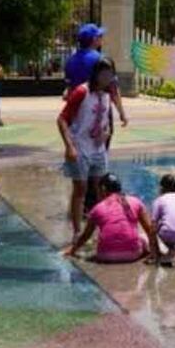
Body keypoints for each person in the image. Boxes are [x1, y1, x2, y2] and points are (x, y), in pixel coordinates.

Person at [57, 58, 117, 239]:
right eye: (103, 74)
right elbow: (62, 119)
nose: (107, 78)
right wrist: (69, 146)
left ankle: (102, 229)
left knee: (102, 189)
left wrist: (106, 132)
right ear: (96, 74)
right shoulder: (82, 92)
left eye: (110, 74)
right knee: (80, 189)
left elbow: (105, 120)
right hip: (80, 147)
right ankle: (77, 232)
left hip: (99, 149)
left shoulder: (108, 94)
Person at [65, 173, 159, 263]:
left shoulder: (97, 208)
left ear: (103, 189)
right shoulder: (135, 201)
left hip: (104, 255)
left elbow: (86, 235)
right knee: (142, 236)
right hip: (133, 254)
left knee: (101, 239)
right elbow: (149, 230)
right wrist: (156, 252)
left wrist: (72, 250)